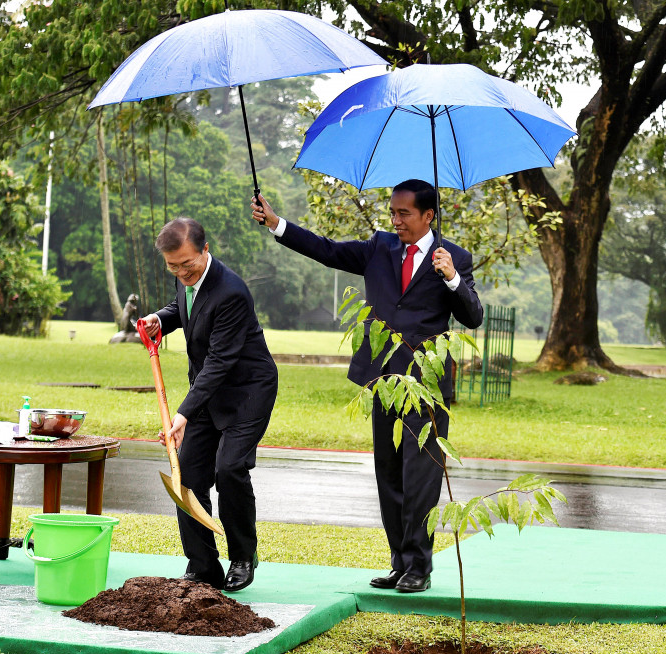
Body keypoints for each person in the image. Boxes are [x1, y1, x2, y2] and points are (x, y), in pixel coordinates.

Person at [251, 180, 483, 593]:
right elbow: (327, 250)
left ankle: (419, 566)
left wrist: (451, 278)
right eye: (392, 212)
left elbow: (473, 317)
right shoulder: (379, 247)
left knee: (421, 476)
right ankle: (399, 562)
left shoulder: (455, 258)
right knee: (388, 473)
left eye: (404, 213)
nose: (395, 221)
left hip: (427, 385)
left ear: (429, 215)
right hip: (383, 380)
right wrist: (276, 223)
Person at [140, 218, 278, 592]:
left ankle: (243, 557)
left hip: (246, 392)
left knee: (230, 469)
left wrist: (182, 414)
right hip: (207, 392)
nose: (182, 272)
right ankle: (203, 566)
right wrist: (159, 319)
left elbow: (219, 362)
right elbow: (185, 305)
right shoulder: (185, 274)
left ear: (205, 249)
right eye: (173, 267)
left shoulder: (232, 292)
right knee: (187, 475)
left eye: (187, 264)